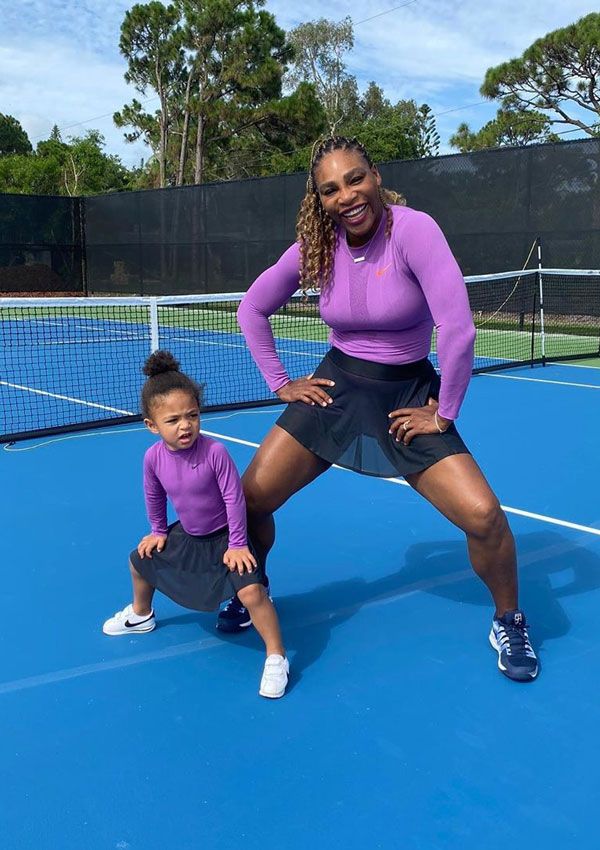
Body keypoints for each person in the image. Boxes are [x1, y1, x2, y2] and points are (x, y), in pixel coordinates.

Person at [218, 135, 538, 682]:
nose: (347, 195)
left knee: (485, 518)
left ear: (375, 175)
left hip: (407, 397)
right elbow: (252, 308)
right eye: (331, 189)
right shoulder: (314, 248)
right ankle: (253, 591)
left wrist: (445, 413)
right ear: (318, 199)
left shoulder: (414, 230)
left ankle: (508, 618)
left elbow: (457, 329)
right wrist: (280, 383)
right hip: (336, 389)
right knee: (249, 501)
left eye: (355, 179)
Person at [102, 350, 289, 699]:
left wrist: (237, 544)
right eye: (172, 420)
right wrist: (158, 531)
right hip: (188, 536)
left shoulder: (215, 452)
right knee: (138, 561)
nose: (185, 425)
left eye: (192, 415)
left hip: (227, 537)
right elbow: (154, 495)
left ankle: (276, 656)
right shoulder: (153, 458)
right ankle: (142, 615)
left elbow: (235, 499)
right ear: (151, 426)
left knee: (251, 592)